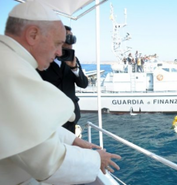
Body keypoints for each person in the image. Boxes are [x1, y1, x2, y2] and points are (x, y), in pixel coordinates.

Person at [0, 2, 121, 185]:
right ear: (33, 35)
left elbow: (28, 122)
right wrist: (97, 159)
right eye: (57, 43)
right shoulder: (11, 72)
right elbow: (47, 162)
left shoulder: (11, 61)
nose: (59, 52)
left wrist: (73, 140)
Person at [37, 25, 88, 134]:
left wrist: (74, 68)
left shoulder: (74, 60)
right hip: (50, 118)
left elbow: (83, 84)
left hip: (71, 116)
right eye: (67, 38)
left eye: (72, 39)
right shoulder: (42, 60)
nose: (71, 42)